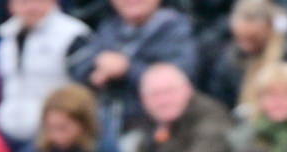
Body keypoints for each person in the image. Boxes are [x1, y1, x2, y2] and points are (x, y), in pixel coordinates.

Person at [67, 0, 198, 133]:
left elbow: (180, 78)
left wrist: (127, 69)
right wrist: (95, 70)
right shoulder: (109, 27)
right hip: (105, 123)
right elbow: (80, 67)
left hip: (155, 127)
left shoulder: (174, 28)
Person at [0, 0, 91, 147]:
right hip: (9, 136)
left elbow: (86, 89)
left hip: (54, 140)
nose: (30, 7)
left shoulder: (72, 35)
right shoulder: (6, 36)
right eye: (23, 2)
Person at [197, 0, 287, 110]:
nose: (245, 45)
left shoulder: (286, 59)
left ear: (269, 30)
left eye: (253, 38)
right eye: (240, 38)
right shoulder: (228, 61)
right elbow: (219, 102)